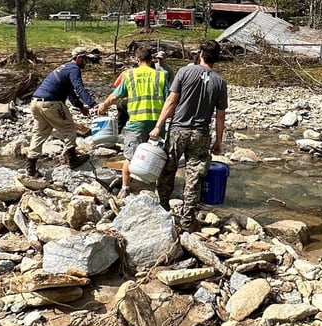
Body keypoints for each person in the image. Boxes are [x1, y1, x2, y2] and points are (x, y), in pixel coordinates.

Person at [150, 40, 227, 230]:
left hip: (178, 130)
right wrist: (219, 140)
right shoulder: (220, 82)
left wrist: (158, 126)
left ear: (201, 53)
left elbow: (171, 100)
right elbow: (220, 116)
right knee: (194, 177)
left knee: (168, 170)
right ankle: (187, 219)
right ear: (216, 58)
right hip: (200, 134)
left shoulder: (185, 72)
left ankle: (162, 209)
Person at [94, 46, 169, 197]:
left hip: (136, 122)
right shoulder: (161, 76)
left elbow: (115, 96)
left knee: (130, 156)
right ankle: (158, 188)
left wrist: (104, 105)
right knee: (159, 155)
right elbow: (169, 100)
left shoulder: (129, 75)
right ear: (151, 59)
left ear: (137, 59)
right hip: (156, 123)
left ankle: (125, 187)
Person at [25, 47, 97, 177]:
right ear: (79, 58)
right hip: (51, 103)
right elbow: (79, 88)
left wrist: (80, 106)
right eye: (85, 59)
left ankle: (30, 167)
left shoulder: (64, 68)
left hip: (36, 102)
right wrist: (93, 104)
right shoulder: (74, 69)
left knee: (39, 133)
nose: (86, 62)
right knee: (69, 128)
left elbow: (70, 92)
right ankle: (73, 160)